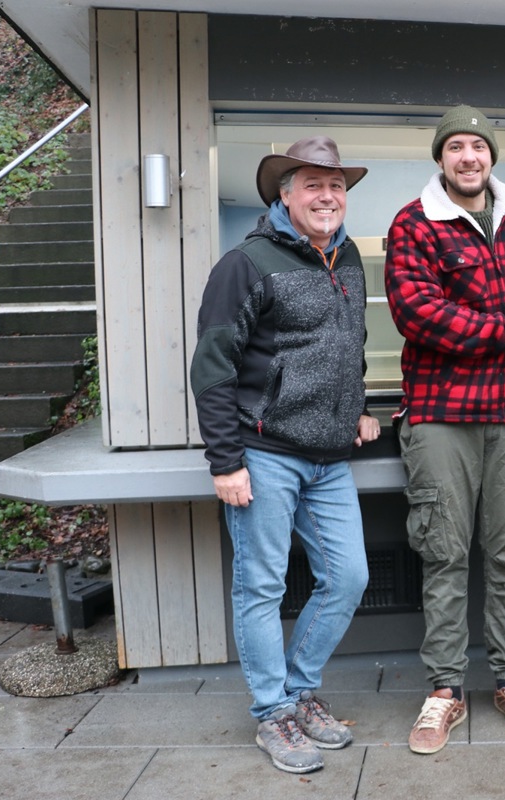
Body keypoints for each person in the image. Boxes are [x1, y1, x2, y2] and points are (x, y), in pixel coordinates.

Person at [384, 104, 505, 755]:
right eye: (456, 146)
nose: (469, 156)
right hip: (442, 414)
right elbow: (419, 314)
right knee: (443, 551)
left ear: (492, 155)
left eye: (478, 146)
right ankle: (444, 690)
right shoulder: (413, 222)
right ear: (441, 157)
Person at [190, 136, 380, 773]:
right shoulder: (245, 264)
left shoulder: (347, 255)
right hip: (264, 450)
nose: (327, 197)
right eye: (313, 185)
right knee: (262, 586)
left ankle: (299, 692)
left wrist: (354, 405)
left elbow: (347, 341)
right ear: (285, 194)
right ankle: (272, 712)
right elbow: (212, 368)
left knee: (349, 576)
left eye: (337, 187)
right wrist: (225, 462)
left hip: (329, 455)